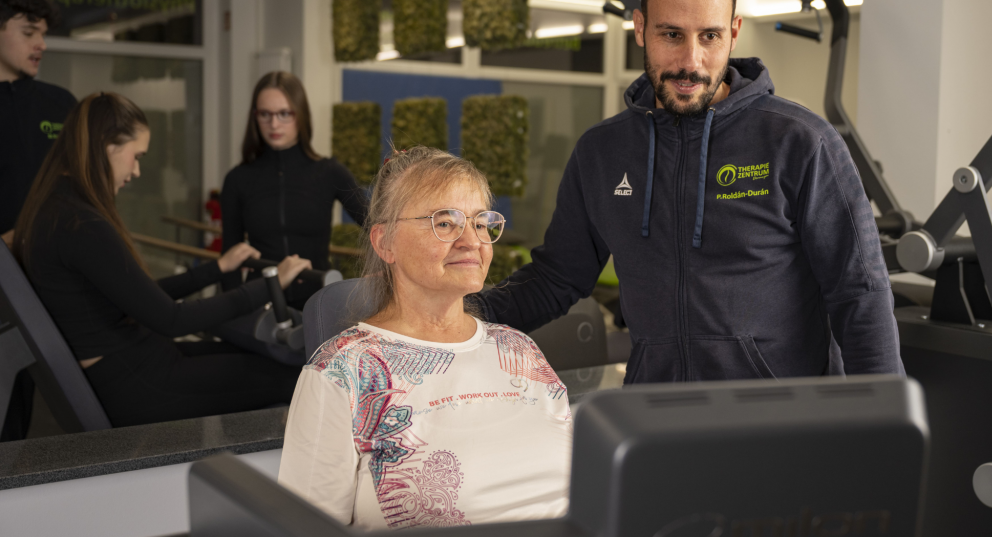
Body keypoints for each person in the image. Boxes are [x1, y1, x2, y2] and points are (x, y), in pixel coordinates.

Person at [477, 0, 903, 383]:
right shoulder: (602, 152)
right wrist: (460, 314)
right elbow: (556, 279)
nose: (690, 60)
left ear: (734, 32)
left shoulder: (801, 142)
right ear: (641, 27)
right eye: (671, 35)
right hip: (656, 420)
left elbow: (859, 293)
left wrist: (883, 425)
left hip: (779, 426)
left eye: (710, 36)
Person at [278, 147, 572, 529]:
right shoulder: (342, 373)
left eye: (481, 222)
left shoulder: (520, 350)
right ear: (385, 243)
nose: (473, 240)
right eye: (445, 223)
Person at [12, 92, 313, 427]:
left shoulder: (57, 210)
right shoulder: (80, 225)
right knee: (295, 377)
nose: (137, 170)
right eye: (136, 156)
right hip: (137, 383)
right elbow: (172, 320)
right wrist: (271, 284)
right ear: (105, 146)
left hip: (139, 363)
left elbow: (141, 294)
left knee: (265, 362)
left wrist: (217, 269)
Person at [221, 71, 368, 307]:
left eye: (284, 114)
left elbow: (379, 227)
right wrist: (232, 314)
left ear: (300, 115)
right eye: (265, 114)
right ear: (255, 117)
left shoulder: (329, 172)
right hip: (259, 301)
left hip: (317, 302)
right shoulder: (238, 179)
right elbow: (229, 256)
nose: (274, 124)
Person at [0, 0, 74, 441]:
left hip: (41, 284)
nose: (40, 44)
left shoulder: (59, 104)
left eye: (43, 34)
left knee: (23, 404)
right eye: (29, 32)